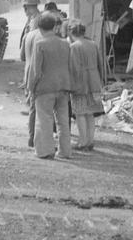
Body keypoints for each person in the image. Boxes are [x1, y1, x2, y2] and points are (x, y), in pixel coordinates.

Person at [25, 12, 74, 159]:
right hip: (63, 87)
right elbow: (70, 66)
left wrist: (31, 88)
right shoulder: (66, 43)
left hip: (45, 88)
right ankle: (65, 151)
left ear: (39, 28)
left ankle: (45, 151)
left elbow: (35, 70)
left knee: (44, 119)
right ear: (54, 27)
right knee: (63, 121)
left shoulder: (40, 45)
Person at [68, 21, 106, 151]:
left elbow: (74, 68)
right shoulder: (93, 44)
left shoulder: (74, 47)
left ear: (72, 33)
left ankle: (82, 142)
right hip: (94, 82)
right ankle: (90, 141)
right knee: (90, 113)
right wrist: (100, 81)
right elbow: (100, 64)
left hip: (81, 83)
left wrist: (70, 85)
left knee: (80, 113)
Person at [19, 0, 42, 147]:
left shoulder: (36, 21)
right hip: (30, 63)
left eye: (26, 7)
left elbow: (32, 44)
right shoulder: (33, 19)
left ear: (30, 7)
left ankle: (33, 137)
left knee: (35, 105)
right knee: (34, 104)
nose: (25, 10)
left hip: (33, 65)